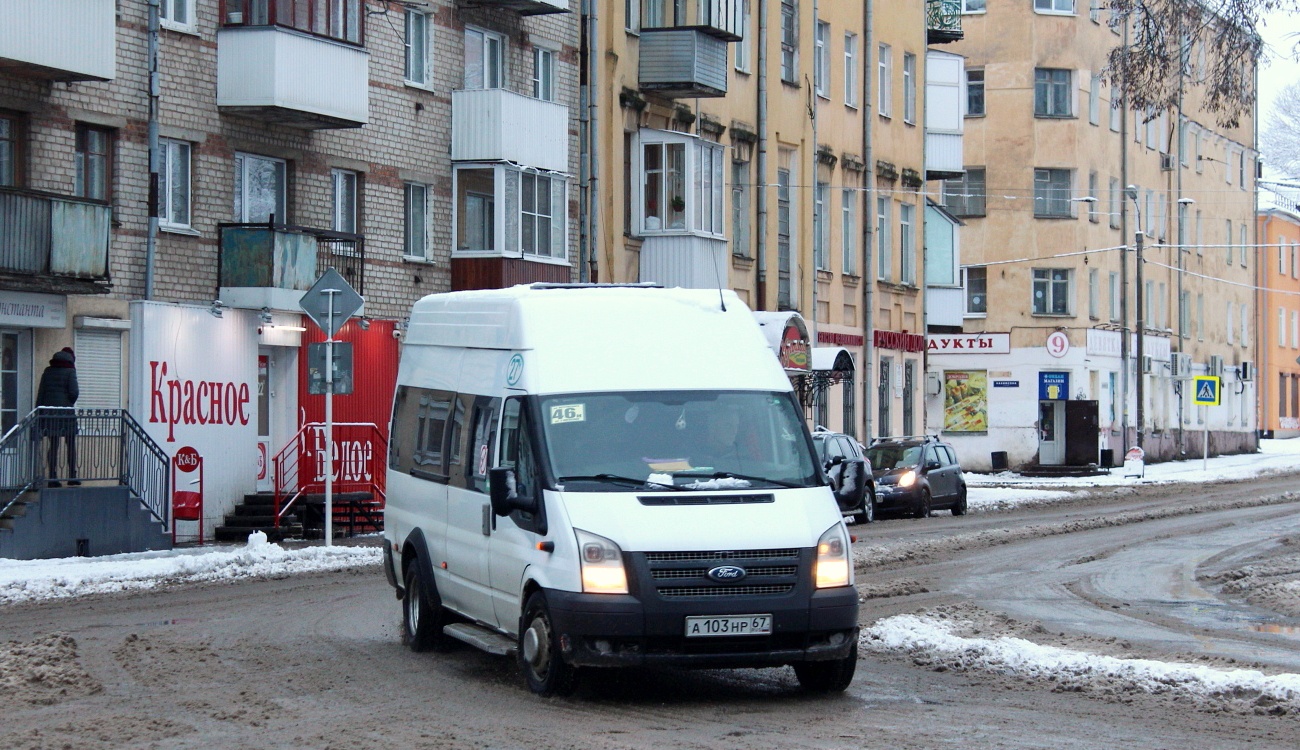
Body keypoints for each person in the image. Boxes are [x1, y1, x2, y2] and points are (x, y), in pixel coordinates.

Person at [36, 347, 79, 487]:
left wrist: (40, 413)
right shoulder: (70, 371)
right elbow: (74, 392)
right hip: (66, 414)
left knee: (53, 445)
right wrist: (68, 404)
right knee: (70, 445)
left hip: (49, 414)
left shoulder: (48, 372)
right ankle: (72, 476)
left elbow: (41, 393)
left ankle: (53, 477)